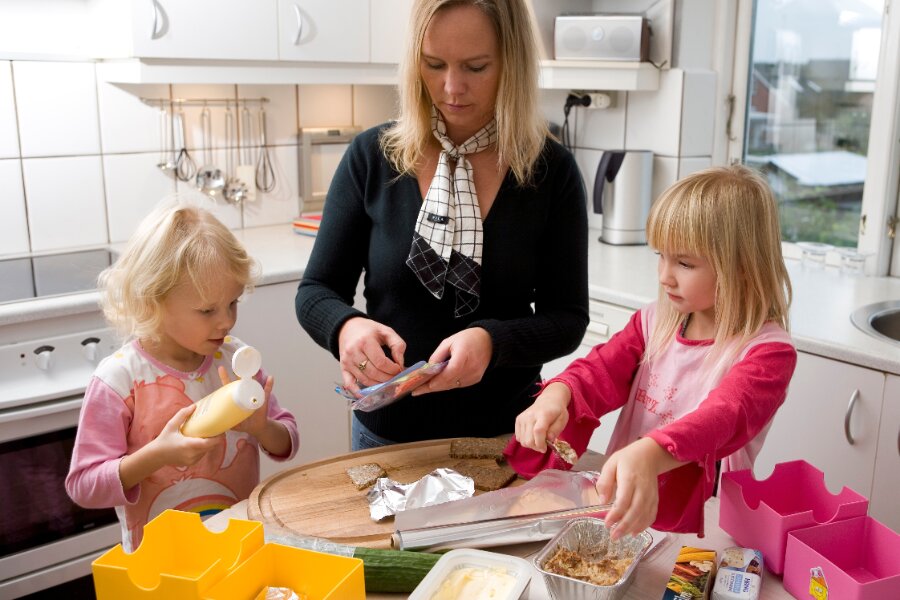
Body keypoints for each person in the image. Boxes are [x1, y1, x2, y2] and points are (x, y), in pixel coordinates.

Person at [295, 0, 588, 449]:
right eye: (434, 64)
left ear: (512, 62)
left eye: (476, 67)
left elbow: (567, 319)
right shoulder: (372, 157)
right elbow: (315, 290)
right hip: (386, 440)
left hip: (506, 439)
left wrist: (493, 341)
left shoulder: (551, 172)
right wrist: (346, 328)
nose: (452, 87)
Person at [507, 165, 797, 538]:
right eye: (661, 256)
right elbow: (598, 372)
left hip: (705, 525)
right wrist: (558, 396)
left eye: (685, 263)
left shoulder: (767, 354)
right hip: (622, 507)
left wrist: (649, 454)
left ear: (740, 268)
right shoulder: (656, 321)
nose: (664, 275)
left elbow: (724, 416)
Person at [66, 199, 298, 551]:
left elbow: (287, 441)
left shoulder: (236, 361)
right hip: (160, 564)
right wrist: (157, 454)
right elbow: (84, 485)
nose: (226, 321)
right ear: (152, 303)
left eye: (233, 303)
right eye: (207, 310)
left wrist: (262, 428)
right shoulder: (120, 381)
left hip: (237, 547)